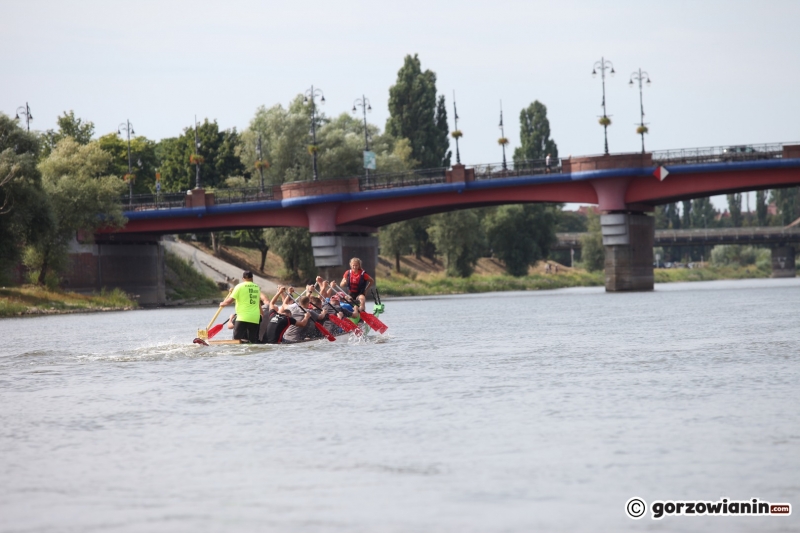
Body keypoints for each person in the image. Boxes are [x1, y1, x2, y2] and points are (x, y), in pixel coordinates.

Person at [219, 271, 262, 343]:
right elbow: (258, 303)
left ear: (243, 278)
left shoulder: (239, 286)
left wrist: (222, 303)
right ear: (252, 278)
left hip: (243, 317)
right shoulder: (257, 287)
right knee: (252, 341)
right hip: (255, 317)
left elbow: (229, 301)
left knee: (236, 340)